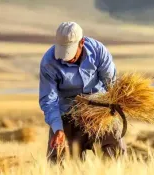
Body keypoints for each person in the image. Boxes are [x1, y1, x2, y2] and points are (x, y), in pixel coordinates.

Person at [39, 21, 126, 163]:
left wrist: (110, 108)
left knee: (115, 153)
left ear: (82, 43)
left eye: (71, 51)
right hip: (66, 113)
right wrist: (58, 129)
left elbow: (111, 85)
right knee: (59, 162)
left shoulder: (98, 51)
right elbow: (49, 101)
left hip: (99, 111)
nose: (67, 57)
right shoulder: (49, 62)